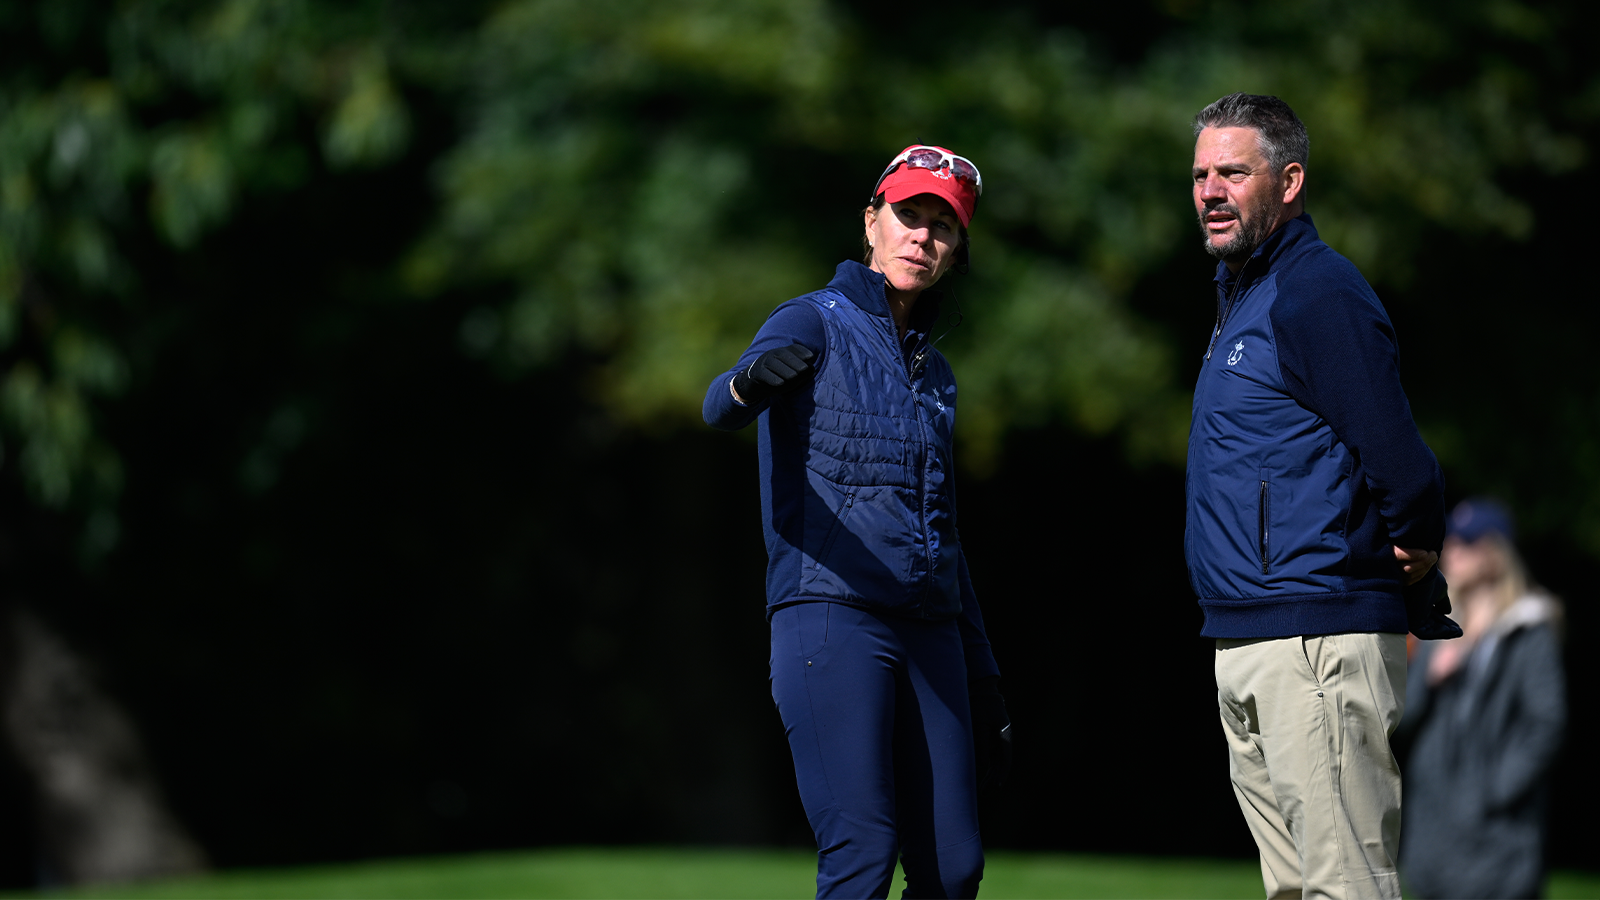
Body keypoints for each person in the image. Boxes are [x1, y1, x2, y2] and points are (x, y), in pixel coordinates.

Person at [702, 145, 1010, 900]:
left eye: (943, 226)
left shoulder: (935, 374)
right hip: (831, 615)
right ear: (871, 221)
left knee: (953, 867)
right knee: (862, 853)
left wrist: (983, 667)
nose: (922, 237)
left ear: (957, 251)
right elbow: (719, 406)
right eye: (908, 216)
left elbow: (947, 534)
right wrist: (749, 382)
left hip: (931, 630)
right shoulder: (812, 319)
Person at [1184, 93, 1457, 900]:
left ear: (1290, 180)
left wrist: (1410, 541)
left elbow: (1403, 463)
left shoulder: (1318, 293)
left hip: (1318, 637)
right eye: (1200, 173)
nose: (1210, 189)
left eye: (1233, 171)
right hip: (1249, 638)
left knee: (1348, 886)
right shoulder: (1244, 300)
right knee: (1296, 891)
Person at [1397, 498, 1566, 899]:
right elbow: (1401, 719)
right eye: (1451, 540)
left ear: (1494, 555)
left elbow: (1546, 722)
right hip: (1433, 831)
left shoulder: (1528, 630)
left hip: (1500, 837)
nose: (1452, 550)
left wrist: (1495, 790)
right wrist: (1429, 680)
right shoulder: (1435, 630)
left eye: (1466, 543)